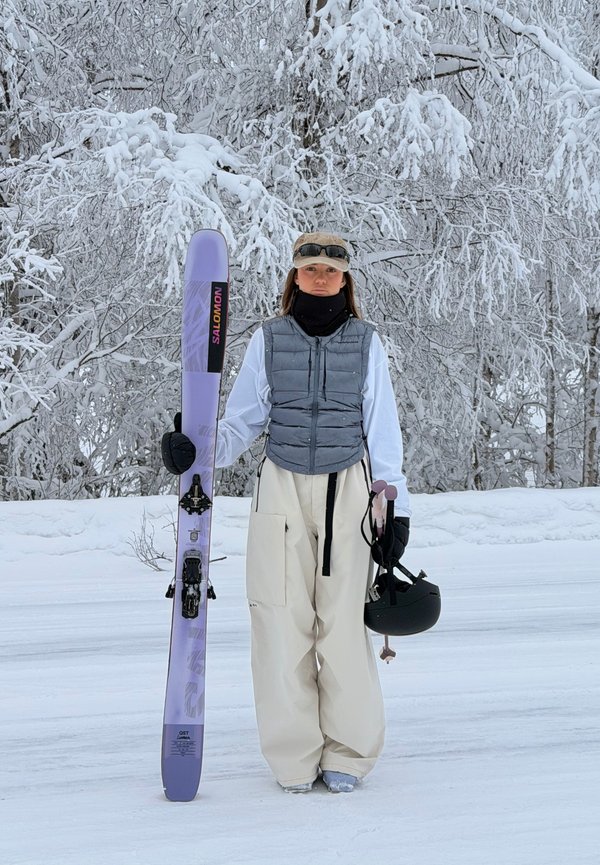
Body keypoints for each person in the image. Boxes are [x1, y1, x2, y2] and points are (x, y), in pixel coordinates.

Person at [162, 231, 410, 794]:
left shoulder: (367, 343)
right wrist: (193, 447)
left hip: (348, 488)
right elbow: (242, 423)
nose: (320, 277)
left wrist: (395, 510)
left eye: (330, 269)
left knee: (343, 626)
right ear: (294, 276)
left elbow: (384, 432)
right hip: (280, 490)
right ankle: (294, 757)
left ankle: (348, 752)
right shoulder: (267, 341)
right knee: (279, 623)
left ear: (345, 281)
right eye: (310, 268)